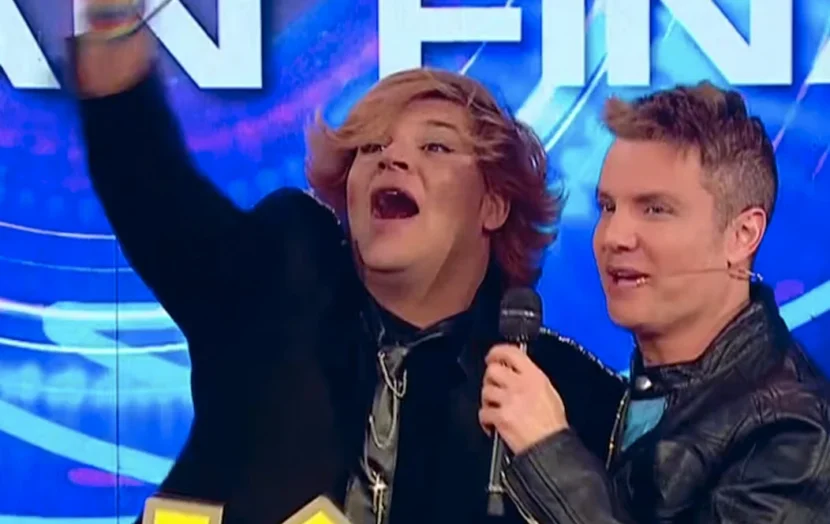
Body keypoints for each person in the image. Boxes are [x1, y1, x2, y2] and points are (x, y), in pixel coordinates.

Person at [70, 2, 625, 523]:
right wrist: (112, 28)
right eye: (370, 148)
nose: (392, 158)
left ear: (493, 204)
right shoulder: (279, 284)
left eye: (435, 147)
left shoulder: (563, 395)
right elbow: (154, 192)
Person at [482, 82, 830, 522]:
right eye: (608, 207)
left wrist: (548, 452)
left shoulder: (796, 432)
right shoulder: (611, 395)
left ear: (742, 235)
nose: (614, 237)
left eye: (655, 210)